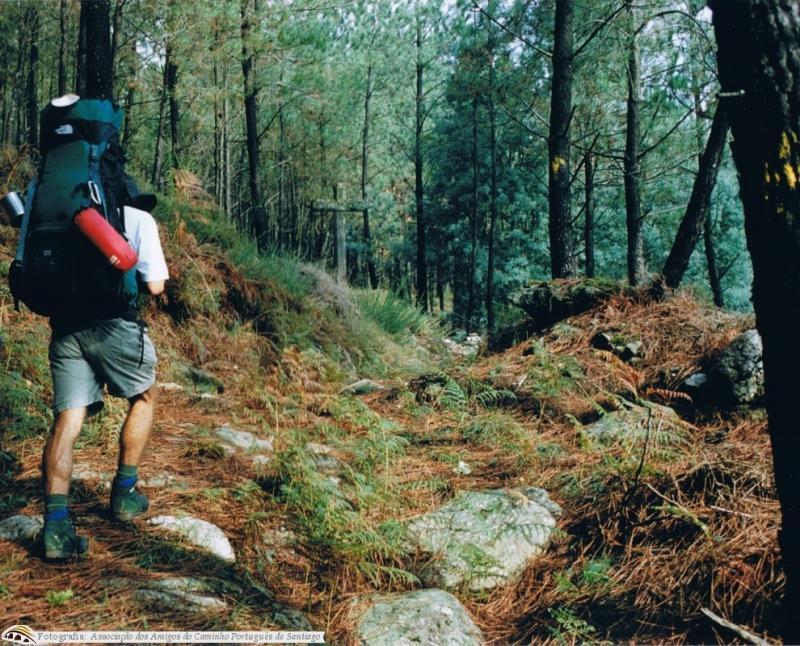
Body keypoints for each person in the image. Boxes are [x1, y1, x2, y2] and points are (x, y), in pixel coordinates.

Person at [41, 202, 168, 560]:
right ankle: (125, 494)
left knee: (68, 419)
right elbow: (156, 286)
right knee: (144, 397)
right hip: (113, 323)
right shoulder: (137, 218)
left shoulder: (53, 209)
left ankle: (55, 528)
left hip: (66, 326)